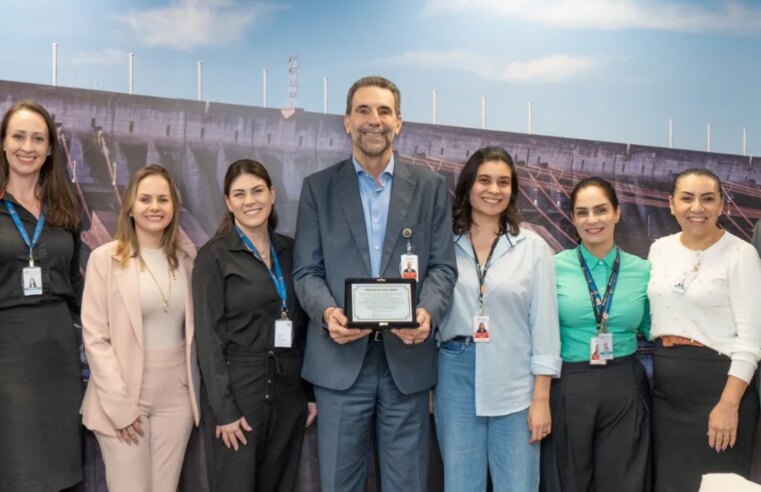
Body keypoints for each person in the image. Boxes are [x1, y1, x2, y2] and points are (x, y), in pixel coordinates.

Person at [293, 75, 457, 491]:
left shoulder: (432, 189)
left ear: (399, 123)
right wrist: (329, 313)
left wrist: (428, 312)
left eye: (384, 111)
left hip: (408, 362)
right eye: (364, 110)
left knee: (407, 484)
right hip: (339, 362)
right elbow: (306, 272)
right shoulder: (318, 189)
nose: (374, 120)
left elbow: (442, 267)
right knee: (339, 483)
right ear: (346, 121)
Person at [434, 146, 561, 491]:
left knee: (518, 484)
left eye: (503, 182)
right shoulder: (443, 243)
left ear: (513, 190)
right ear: (468, 186)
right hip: (454, 372)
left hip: (515, 378)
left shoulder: (532, 247)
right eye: (485, 180)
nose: (494, 190)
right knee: (461, 484)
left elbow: (545, 327)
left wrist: (541, 399)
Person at [193, 159, 315, 492]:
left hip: (289, 391)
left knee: (280, 483)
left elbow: (304, 329)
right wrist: (224, 410)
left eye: (258, 191)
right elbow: (208, 339)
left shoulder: (291, 251)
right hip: (240, 391)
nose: (251, 201)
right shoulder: (214, 257)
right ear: (228, 202)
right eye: (240, 194)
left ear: (272, 195)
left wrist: (309, 393)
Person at [80, 164, 200, 492]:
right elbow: (95, 338)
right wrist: (120, 407)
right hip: (122, 395)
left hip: (177, 398)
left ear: (174, 207)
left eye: (163, 199)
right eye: (145, 199)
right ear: (130, 206)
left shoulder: (188, 260)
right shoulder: (104, 259)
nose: (154, 207)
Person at [648, 168, 761, 491]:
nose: (697, 208)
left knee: (718, 484)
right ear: (671, 204)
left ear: (722, 205)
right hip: (666, 395)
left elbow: (751, 340)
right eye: (687, 198)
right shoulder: (660, 249)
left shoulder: (742, 254)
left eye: (707, 199)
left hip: (719, 390)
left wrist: (729, 404)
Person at [541, 177, 652, 492]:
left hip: (625, 385)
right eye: (583, 212)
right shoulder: (551, 267)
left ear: (617, 213)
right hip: (569, 385)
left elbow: (655, 328)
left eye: (601, 210)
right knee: (569, 482)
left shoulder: (643, 270)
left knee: (626, 482)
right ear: (573, 219)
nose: (593, 220)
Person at [0, 100, 83, 491]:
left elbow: (76, 283)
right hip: (8, 353)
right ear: (3, 143)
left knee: (60, 470)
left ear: (50, 149)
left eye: (38, 138)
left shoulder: (64, 209)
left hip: (60, 354)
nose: (27, 147)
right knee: (17, 467)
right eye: (18, 136)